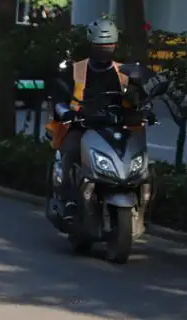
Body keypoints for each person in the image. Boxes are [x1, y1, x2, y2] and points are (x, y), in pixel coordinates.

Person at [47, 18, 128, 220]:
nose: (105, 50)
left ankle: (143, 205)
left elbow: (136, 96)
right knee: (70, 152)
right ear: (91, 45)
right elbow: (59, 97)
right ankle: (69, 201)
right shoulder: (76, 70)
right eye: (100, 46)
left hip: (114, 127)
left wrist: (143, 108)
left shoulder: (123, 72)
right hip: (81, 126)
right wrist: (66, 111)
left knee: (140, 161)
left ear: (115, 46)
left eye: (109, 46)